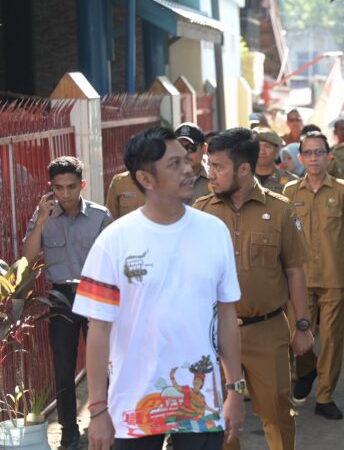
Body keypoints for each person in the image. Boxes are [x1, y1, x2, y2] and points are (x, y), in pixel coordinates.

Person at [73, 127, 245, 450]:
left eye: (187, 160)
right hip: (133, 407)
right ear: (146, 179)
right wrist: (97, 410)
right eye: (174, 164)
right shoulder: (113, 242)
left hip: (200, 407)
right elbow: (97, 330)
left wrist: (235, 388)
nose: (189, 170)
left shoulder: (214, 232)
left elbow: (226, 316)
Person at [194, 128, 314, 450]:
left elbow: (294, 271)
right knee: (220, 419)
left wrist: (302, 325)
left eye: (218, 166)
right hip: (215, 333)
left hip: (267, 329)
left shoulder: (279, 210)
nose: (211, 173)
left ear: (244, 169)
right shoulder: (202, 211)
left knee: (277, 412)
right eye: (210, 164)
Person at [22, 156, 112, 450]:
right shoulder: (44, 216)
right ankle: (69, 431)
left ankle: (108, 423)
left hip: (96, 296)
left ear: (82, 185)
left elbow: (113, 261)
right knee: (63, 367)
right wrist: (41, 223)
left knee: (105, 364)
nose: (65, 194)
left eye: (71, 187)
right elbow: (29, 258)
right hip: (61, 297)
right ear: (52, 187)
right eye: (58, 187)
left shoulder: (100, 216)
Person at [283, 131, 344, 420]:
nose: (314, 158)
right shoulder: (290, 192)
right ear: (301, 157)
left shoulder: (343, 191)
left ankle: (324, 396)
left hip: (333, 278)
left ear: (328, 156)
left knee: (331, 340)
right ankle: (307, 371)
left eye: (319, 152)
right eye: (308, 153)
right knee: (299, 335)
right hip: (300, 280)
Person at [253, 126, 298, 194]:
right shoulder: (241, 179)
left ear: (277, 149)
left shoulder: (291, 181)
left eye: (267, 146)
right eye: (257, 147)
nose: (262, 152)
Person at [175, 122, 210, 202]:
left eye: (190, 148)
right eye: (179, 148)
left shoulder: (215, 180)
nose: (185, 153)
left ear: (204, 148)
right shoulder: (166, 181)